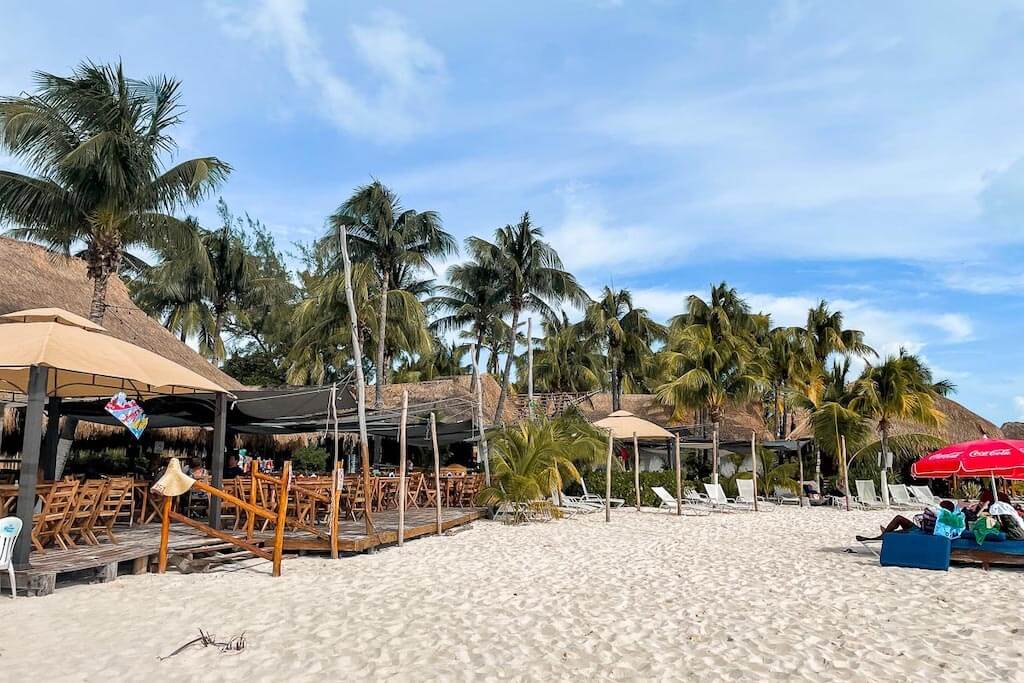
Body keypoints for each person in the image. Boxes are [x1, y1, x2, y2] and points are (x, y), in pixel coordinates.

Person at [856, 500, 956, 542]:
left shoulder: (943, 517)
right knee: (899, 518)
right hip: (920, 529)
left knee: (893, 534)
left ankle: (879, 537)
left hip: (921, 534)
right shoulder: (940, 514)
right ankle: (885, 533)